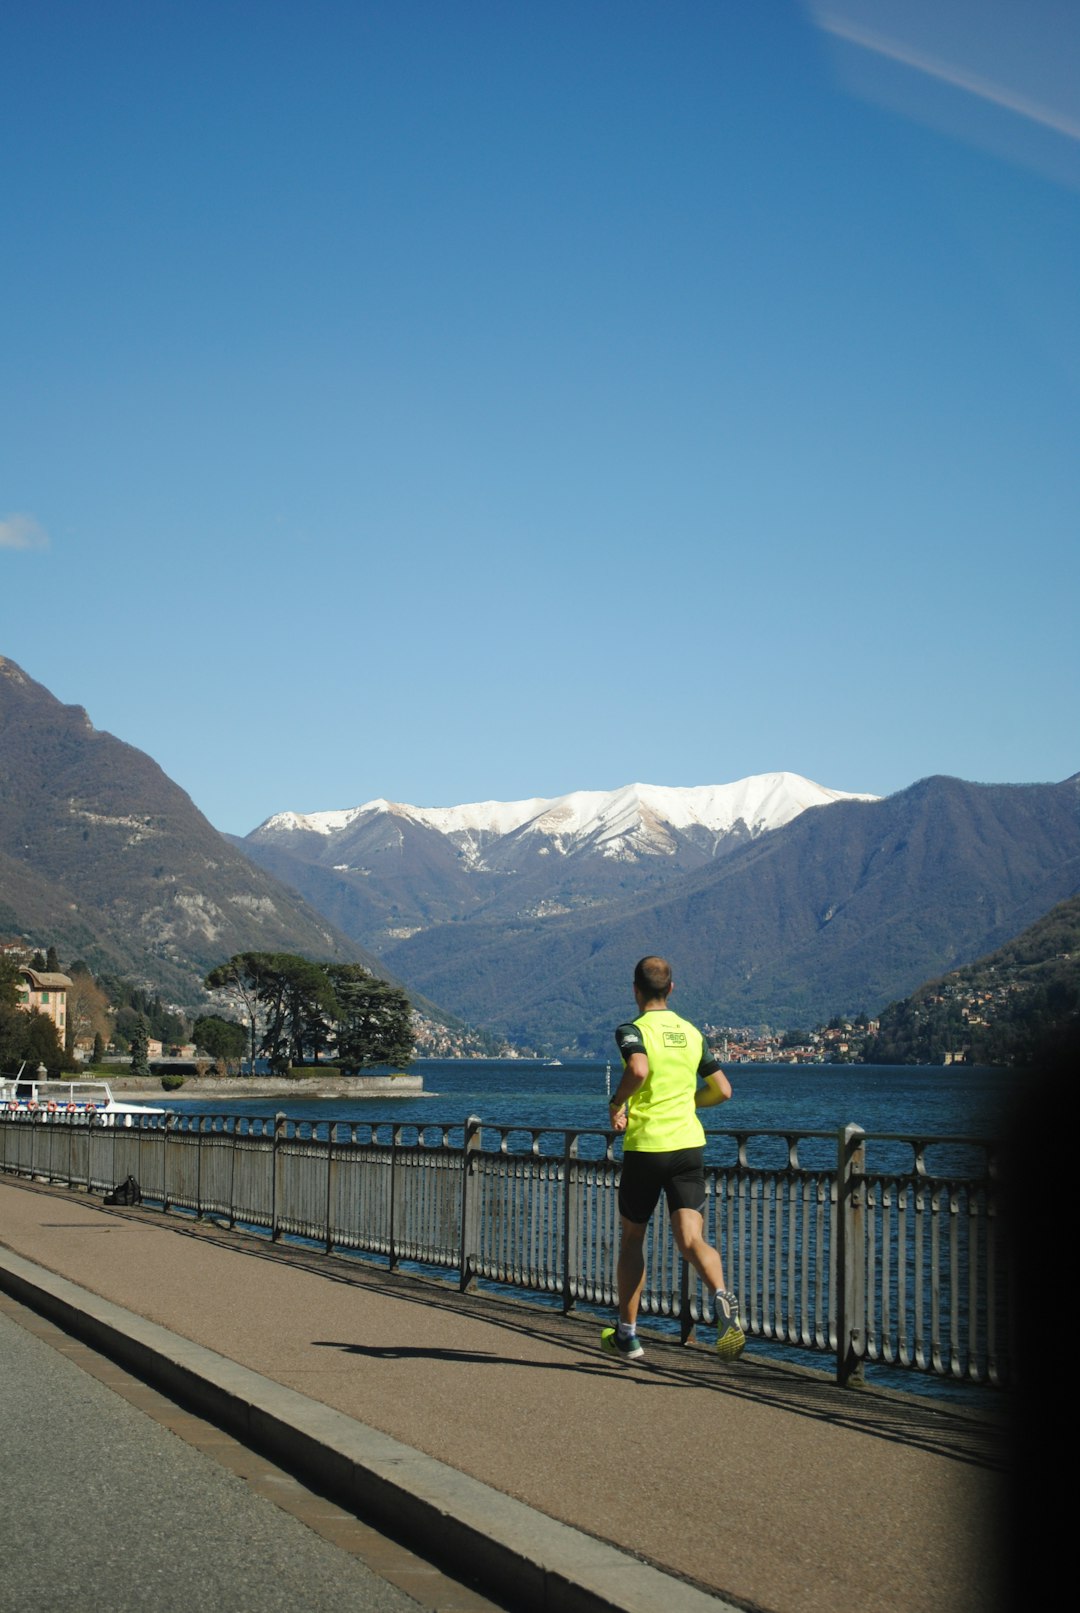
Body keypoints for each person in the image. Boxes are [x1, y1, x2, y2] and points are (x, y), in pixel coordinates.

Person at [601, 954, 745, 1364]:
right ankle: (720, 1295)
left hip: (647, 1147)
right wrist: (687, 1102)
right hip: (687, 1148)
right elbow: (723, 1090)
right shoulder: (691, 1033)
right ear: (671, 989)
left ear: (635, 990)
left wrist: (617, 1102)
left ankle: (627, 1334)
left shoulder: (633, 1030)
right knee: (691, 1239)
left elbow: (639, 1069)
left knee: (633, 1239)